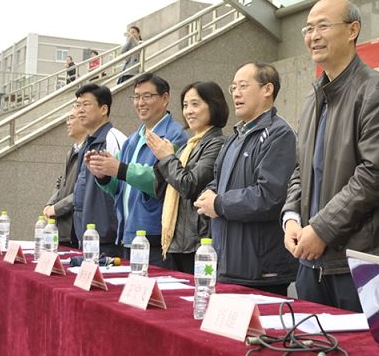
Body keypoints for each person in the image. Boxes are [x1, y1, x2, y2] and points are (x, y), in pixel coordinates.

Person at [281, 0, 379, 312]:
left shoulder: (376, 92)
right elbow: (301, 169)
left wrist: (322, 229)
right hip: (310, 261)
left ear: (353, 30)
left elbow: (375, 175)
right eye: (308, 29)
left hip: (356, 263)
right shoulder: (312, 98)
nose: (313, 36)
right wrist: (292, 217)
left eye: (323, 26)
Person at [194, 62, 297, 296]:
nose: (236, 94)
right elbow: (218, 181)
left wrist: (219, 203)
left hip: (260, 271)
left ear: (267, 89)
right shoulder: (235, 136)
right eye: (233, 88)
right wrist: (207, 196)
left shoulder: (279, 134)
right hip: (226, 264)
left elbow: (270, 196)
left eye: (243, 86)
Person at [86, 74, 187, 268]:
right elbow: (119, 188)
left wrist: (120, 169)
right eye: (136, 97)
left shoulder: (175, 135)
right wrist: (103, 174)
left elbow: (164, 182)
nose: (140, 103)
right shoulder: (133, 139)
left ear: (165, 98)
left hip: (155, 238)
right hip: (129, 235)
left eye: (147, 96)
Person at [148, 81, 228, 273]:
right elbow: (162, 192)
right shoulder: (187, 146)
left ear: (214, 105)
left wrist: (167, 158)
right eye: (185, 105)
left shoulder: (217, 143)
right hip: (177, 242)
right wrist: (162, 160)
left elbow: (189, 185)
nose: (189, 111)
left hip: (199, 242)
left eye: (195, 104)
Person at [73, 83, 127, 257]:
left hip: (107, 238)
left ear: (104, 109)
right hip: (87, 235)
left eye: (86, 104)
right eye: (78, 105)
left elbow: (124, 186)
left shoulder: (114, 138)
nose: (80, 110)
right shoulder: (86, 143)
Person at [43, 107, 87, 248]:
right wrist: (50, 204)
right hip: (62, 228)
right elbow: (60, 182)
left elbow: (83, 191)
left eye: (71, 118)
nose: (68, 122)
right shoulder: (72, 151)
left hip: (75, 232)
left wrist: (56, 209)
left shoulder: (89, 152)